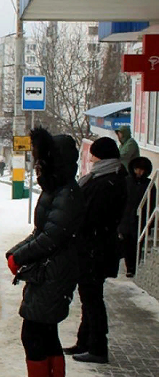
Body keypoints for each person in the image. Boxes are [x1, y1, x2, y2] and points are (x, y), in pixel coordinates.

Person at [6, 127, 85, 377]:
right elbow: (41, 232)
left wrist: (21, 255)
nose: (38, 166)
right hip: (49, 271)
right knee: (46, 335)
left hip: (55, 273)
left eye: (42, 161)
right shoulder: (58, 190)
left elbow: (52, 236)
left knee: (34, 334)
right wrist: (15, 252)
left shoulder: (67, 194)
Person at [63, 137, 128, 364]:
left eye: (93, 153)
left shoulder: (107, 182)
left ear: (100, 156)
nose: (90, 157)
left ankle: (98, 348)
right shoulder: (107, 178)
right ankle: (85, 341)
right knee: (89, 296)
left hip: (95, 249)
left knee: (92, 299)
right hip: (94, 248)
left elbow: (93, 217)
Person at [118, 157, 153, 278]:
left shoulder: (149, 184)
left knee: (137, 242)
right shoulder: (127, 181)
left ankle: (135, 266)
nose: (139, 172)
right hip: (126, 217)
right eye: (137, 169)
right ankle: (130, 268)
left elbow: (152, 203)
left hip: (140, 218)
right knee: (127, 243)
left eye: (142, 170)